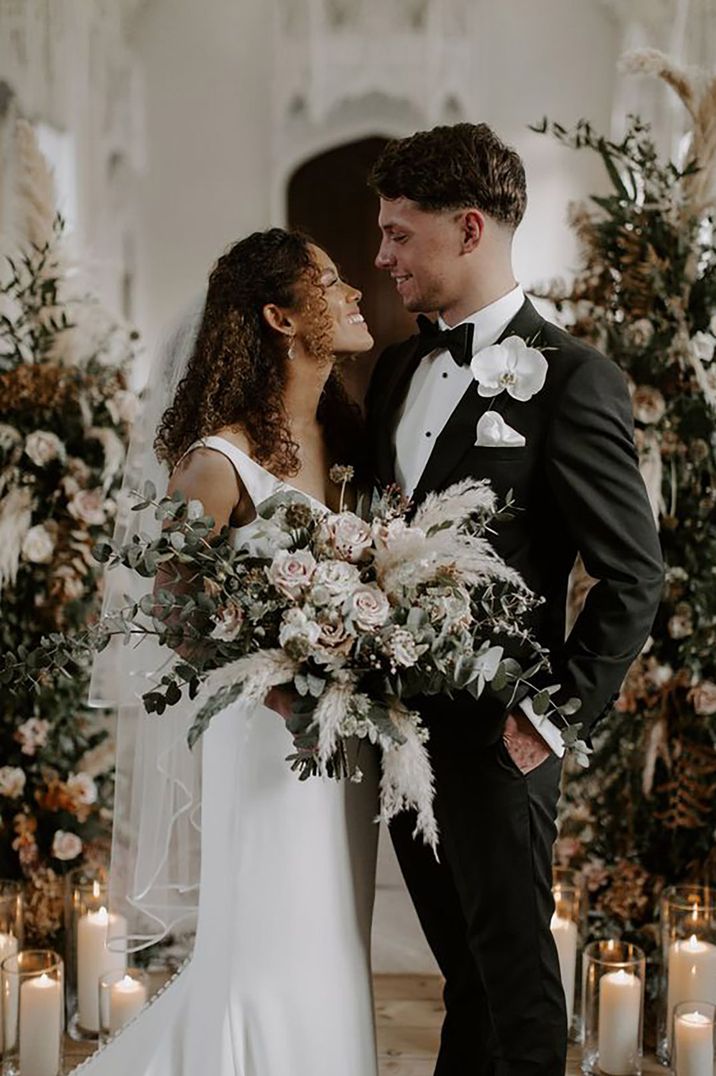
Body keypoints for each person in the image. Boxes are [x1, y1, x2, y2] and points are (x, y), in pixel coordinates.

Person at [366, 123, 664, 1076]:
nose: (383, 256)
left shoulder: (574, 380)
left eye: (399, 236)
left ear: (466, 229)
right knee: (467, 979)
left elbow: (633, 574)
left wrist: (551, 715)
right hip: (400, 733)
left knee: (520, 987)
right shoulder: (397, 372)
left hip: (502, 738)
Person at [80, 229, 379, 1076]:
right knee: (271, 936)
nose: (355, 291)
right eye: (331, 281)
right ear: (281, 317)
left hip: (343, 734)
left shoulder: (349, 441)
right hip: (263, 740)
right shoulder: (217, 464)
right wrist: (281, 673)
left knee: (334, 932)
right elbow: (173, 609)